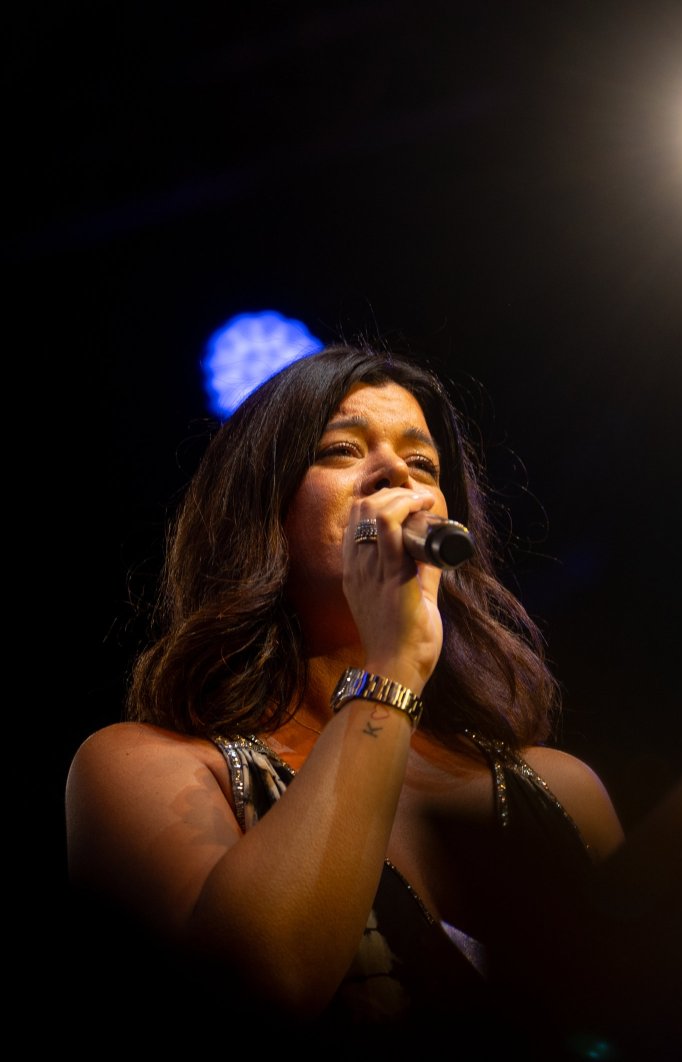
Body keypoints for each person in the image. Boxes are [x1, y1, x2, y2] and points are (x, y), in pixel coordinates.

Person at [64, 342, 625, 1050]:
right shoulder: (142, 771)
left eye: (423, 464)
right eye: (341, 449)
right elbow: (267, 987)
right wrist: (391, 669)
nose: (396, 473)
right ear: (261, 509)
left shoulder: (562, 789)